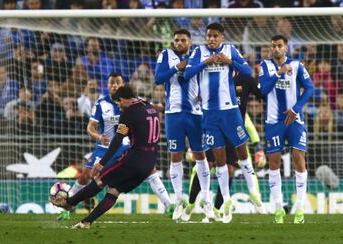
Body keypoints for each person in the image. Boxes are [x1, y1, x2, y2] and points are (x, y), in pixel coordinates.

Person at [60, 73, 171, 220]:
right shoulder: (101, 103)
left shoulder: (135, 103)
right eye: (111, 83)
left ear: (123, 85)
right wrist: (98, 136)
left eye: (117, 82)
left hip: (125, 147)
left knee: (150, 171)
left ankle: (170, 205)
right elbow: (90, 127)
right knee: (86, 176)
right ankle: (69, 208)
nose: (114, 85)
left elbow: (154, 109)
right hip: (104, 147)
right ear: (107, 86)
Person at [184, 22, 264, 223]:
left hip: (231, 112)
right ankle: (226, 200)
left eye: (215, 36)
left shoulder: (231, 50)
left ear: (222, 37)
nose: (211, 39)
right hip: (209, 115)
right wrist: (206, 62)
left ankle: (255, 195)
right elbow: (187, 74)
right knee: (218, 160)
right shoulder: (198, 53)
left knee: (242, 153)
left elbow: (246, 72)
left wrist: (229, 62)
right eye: (208, 36)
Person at [154, 29, 213, 222]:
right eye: (176, 40)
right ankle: (179, 200)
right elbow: (158, 79)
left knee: (200, 155)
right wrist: (176, 67)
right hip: (173, 114)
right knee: (175, 156)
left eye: (183, 40)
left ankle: (205, 200)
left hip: (195, 114)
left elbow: (206, 78)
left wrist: (205, 94)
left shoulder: (197, 54)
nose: (179, 43)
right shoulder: (165, 55)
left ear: (189, 41)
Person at [258, 35, 314, 224]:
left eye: (279, 46)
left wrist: (296, 109)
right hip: (274, 122)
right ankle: (278, 208)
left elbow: (310, 89)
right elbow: (263, 91)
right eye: (273, 46)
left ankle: (299, 207)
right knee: (274, 162)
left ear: (286, 48)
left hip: (295, 120)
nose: (275, 49)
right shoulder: (264, 66)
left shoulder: (297, 65)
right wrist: (279, 72)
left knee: (299, 159)